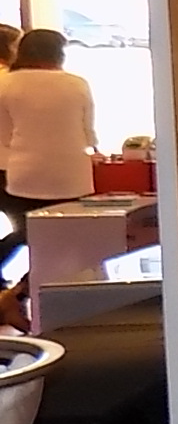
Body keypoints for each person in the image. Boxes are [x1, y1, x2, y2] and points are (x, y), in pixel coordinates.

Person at [0, 27, 100, 265]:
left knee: (29, 233)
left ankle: (24, 289)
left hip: (24, 175)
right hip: (72, 176)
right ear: (59, 54)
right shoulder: (77, 84)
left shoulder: (6, 84)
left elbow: (5, 136)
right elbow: (88, 134)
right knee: (67, 236)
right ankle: (37, 288)